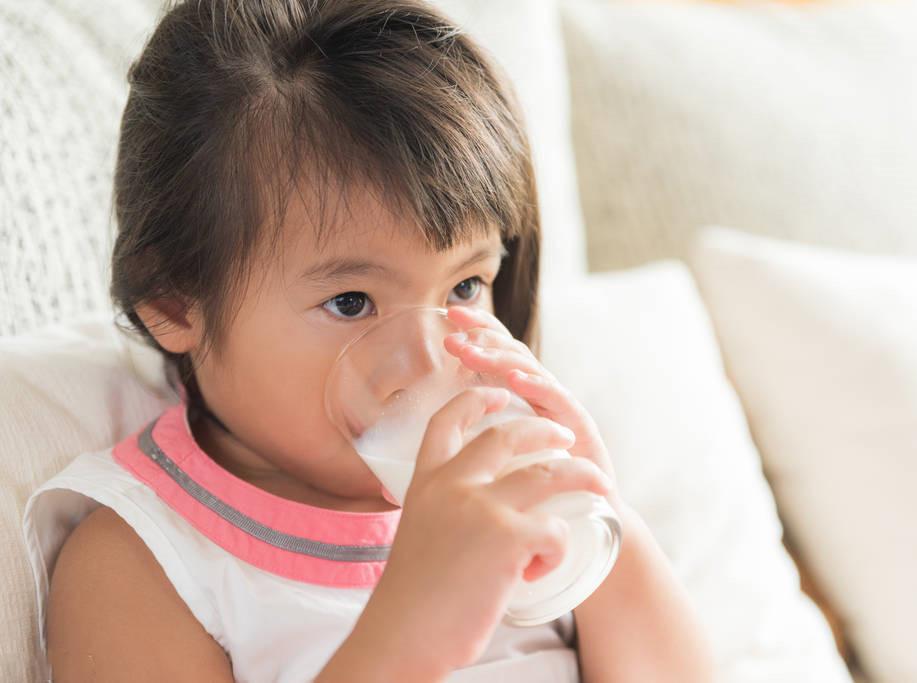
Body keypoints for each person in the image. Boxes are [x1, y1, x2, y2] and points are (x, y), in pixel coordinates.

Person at [22, 1, 713, 680]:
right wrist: (413, 628)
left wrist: (604, 519)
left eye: (464, 288)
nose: (428, 356)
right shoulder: (141, 558)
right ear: (174, 302)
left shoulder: (509, 498)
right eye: (351, 302)